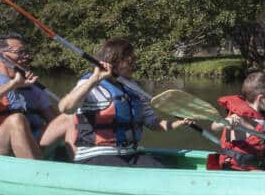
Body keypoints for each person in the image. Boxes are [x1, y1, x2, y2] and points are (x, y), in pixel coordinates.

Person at [57, 38, 181, 167]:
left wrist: (178, 122)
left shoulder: (134, 88)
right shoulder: (90, 84)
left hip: (130, 153)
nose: (134, 65)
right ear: (114, 61)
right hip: (95, 155)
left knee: (159, 170)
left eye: (134, 60)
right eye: (130, 61)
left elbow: (152, 123)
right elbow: (65, 108)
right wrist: (94, 79)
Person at [0, 33, 71, 159]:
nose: (26, 56)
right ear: (2, 55)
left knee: (69, 118)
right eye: (20, 52)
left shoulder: (33, 87)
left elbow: (55, 121)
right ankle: (35, 171)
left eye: (26, 52)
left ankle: (83, 161)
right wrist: (13, 84)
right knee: (16, 120)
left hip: (33, 140)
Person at [213, 71, 265, 170]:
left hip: (257, 165)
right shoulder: (240, 117)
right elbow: (214, 126)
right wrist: (227, 121)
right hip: (235, 168)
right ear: (260, 99)